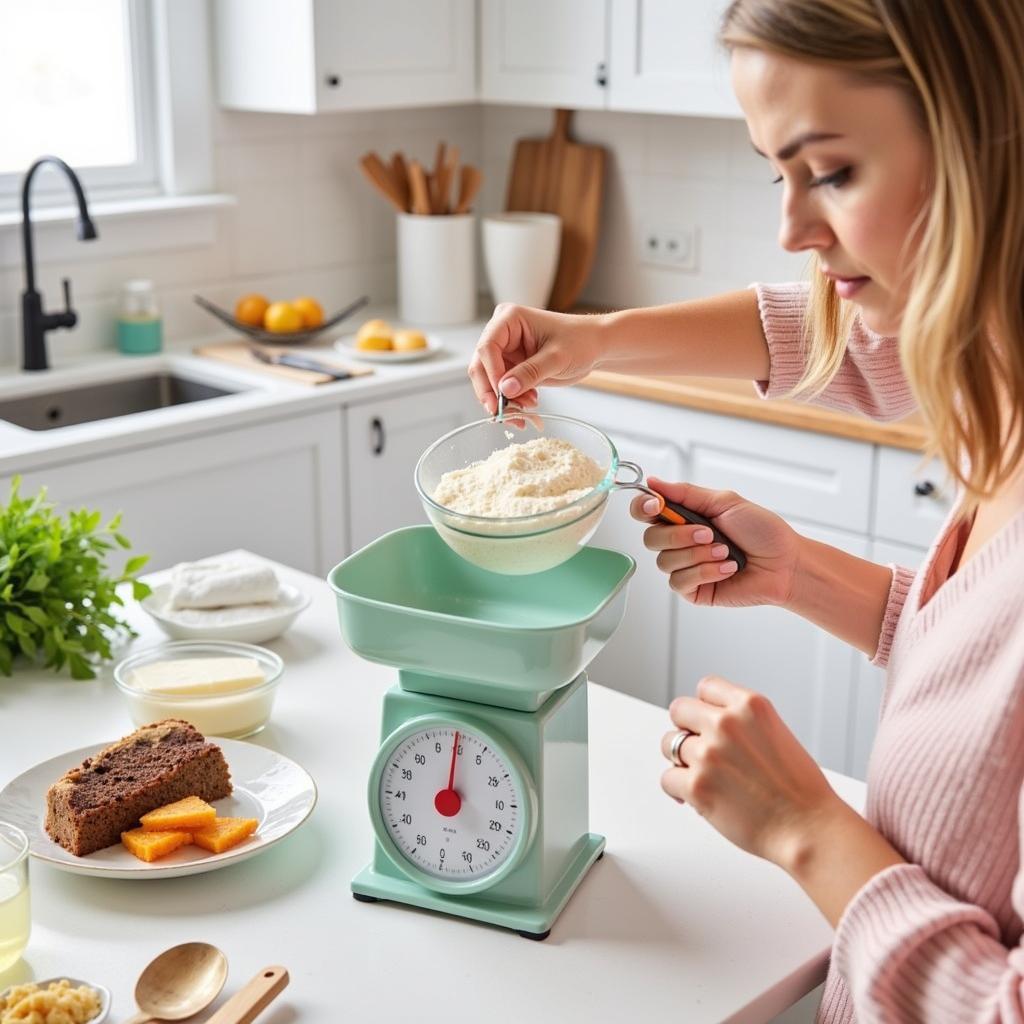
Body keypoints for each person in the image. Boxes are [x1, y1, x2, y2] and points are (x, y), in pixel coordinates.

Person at [468, 1, 1024, 1019]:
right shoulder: (1002, 375)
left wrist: (800, 825)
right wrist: (806, 574)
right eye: (778, 172)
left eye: (833, 172)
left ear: (986, 140)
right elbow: (993, 695)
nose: (789, 227)